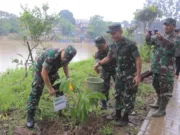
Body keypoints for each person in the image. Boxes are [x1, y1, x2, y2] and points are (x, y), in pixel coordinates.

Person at [94, 23, 142, 127]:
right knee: (118, 94)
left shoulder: (130, 44)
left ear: (120, 31)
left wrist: (138, 75)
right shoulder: (113, 45)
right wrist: (99, 63)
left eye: (114, 33)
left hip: (130, 74)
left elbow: (138, 59)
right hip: (119, 74)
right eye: (110, 33)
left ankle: (125, 118)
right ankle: (117, 115)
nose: (112, 35)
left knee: (129, 95)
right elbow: (108, 57)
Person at [26, 45, 77, 128]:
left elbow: (65, 65)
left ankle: (60, 111)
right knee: (36, 91)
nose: (65, 60)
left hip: (52, 71)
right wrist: (50, 88)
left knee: (59, 90)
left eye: (67, 59)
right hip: (40, 70)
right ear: (63, 50)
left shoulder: (67, 57)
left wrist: (68, 78)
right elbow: (44, 73)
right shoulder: (52, 55)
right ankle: (30, 115)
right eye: (64, 57)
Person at [146, 18, 180, 117]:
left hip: (166, 69)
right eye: (164, 25)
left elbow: (173, 47)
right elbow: (150, 43)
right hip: (157, 67)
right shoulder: (161, 36)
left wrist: (162, 39)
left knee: (165, 90)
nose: (165, 26)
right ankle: (159, 101)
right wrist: (148, 37)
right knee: (155, 84)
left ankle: (162, 109)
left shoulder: (176, 38)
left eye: (168, 25)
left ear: (173, 26)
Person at [94, 36, 116, 110]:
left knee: (119, 86)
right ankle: (104, 103)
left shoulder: (112, 48)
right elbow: (97, 66)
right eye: (97, 46)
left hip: (116, 69)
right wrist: (96, 68)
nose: (99, 48)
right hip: (105, 70)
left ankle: (120, 103)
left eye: (100, 46)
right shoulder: (97, 54)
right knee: (104, 88)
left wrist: (99, 64)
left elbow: (108, 58)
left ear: (104, 43)